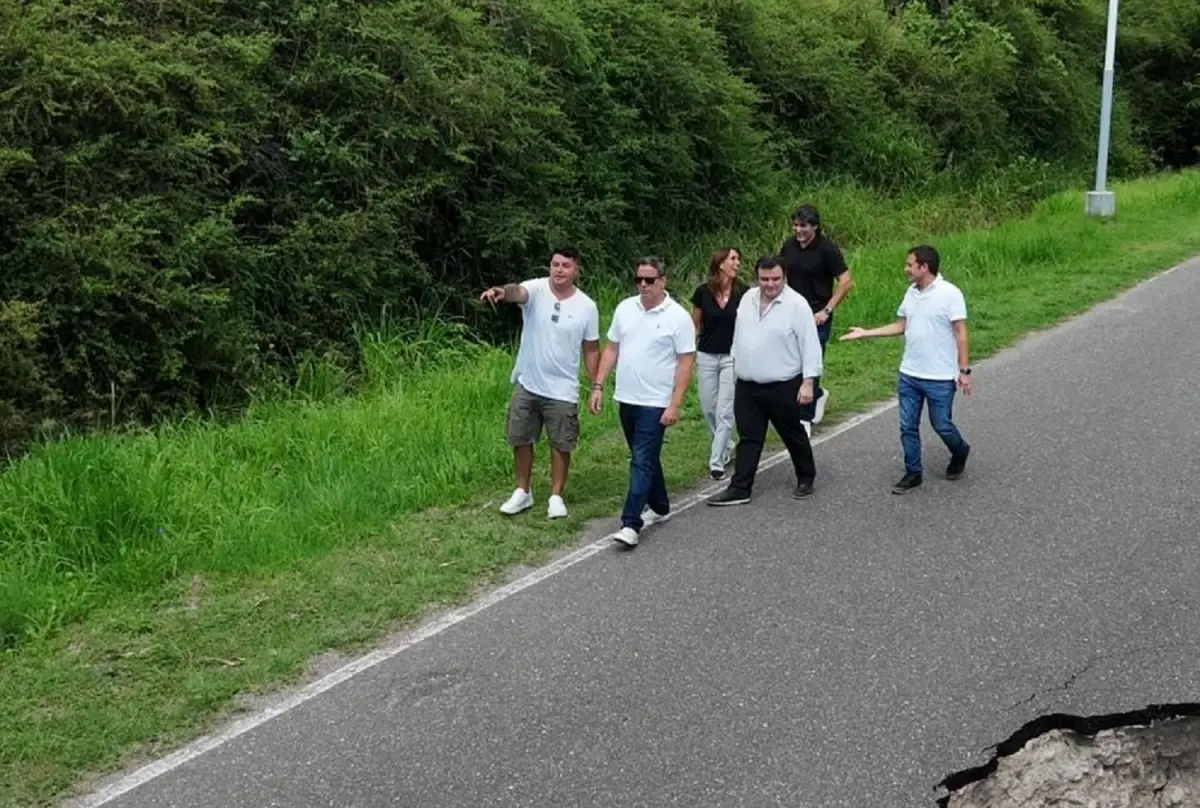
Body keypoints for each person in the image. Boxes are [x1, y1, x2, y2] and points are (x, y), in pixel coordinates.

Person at [839, 244, 972, 494]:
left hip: (940, 377)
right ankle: (913, 473)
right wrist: (866, 333)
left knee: (941, 425)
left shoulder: (950, 294)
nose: (906, 269)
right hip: (910, 374)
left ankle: (960, 450)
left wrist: (964, 371)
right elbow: (901, 326)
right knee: (907, 427)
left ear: (924, 267)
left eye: (910, 265)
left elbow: (961, 334)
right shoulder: (911, 293)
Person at [480, 247, 600, 519]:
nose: (559, 270)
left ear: (576, 269)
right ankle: (523, 491)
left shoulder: (587, 306)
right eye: (555, 264)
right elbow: (517, 292)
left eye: (565, 265)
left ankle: (556, 496)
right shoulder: (536, 289)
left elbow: (591, 349)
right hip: (528, 382)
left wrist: (596, 386)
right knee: (521, 438)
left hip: (563, 388)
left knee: (561, 443)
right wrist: (502, 292)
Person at [589, 257, 696, 548]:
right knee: (644, 456)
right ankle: (659, 505)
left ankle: (630, 523)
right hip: (627, 396)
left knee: (640, 460)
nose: (644, 285)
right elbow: (612, 348)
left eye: (650, 280)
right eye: (639, 280)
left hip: (656, 400)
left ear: (663, 281)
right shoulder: (625, 308)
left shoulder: (678, 317)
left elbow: (686, 362)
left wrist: (675, 403)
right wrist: (598, 385)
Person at [707, 256, 823, 507]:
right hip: (747, 385)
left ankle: (806, 476)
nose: (770, 284)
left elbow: (810, 346)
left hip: (783, 385)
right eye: (764, 279)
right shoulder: (748, 298)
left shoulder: (797, 305)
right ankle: (740, 487)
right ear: (757, 278)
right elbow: (739, 334)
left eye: (775, 279)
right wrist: (735, 365)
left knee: (792, 434)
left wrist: (808, 382)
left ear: (785, 277)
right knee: (749, 437)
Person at [779, 205, 854, 434]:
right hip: (792, 313)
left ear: (815, 227)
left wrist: (826, 311)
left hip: (817, 315)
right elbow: (781, 276)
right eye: (795, 225)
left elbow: (846, 282)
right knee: (791, 362)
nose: (798, 230)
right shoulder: (789, 246)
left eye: (803, 226)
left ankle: (805, 417)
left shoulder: (827, 249)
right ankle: (817, 395)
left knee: (810, 363)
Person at [690, 247, 748, 481]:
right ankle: (726, 444)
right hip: (706, 354)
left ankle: (716, 461)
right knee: (708, 408)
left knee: (725, 410)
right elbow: (695, 324)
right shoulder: (702, 292)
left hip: (731, 356)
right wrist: (688, 353)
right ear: (720, 263)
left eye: (738, 259)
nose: (737, 263)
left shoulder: (744, 293)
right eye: (733, 259)